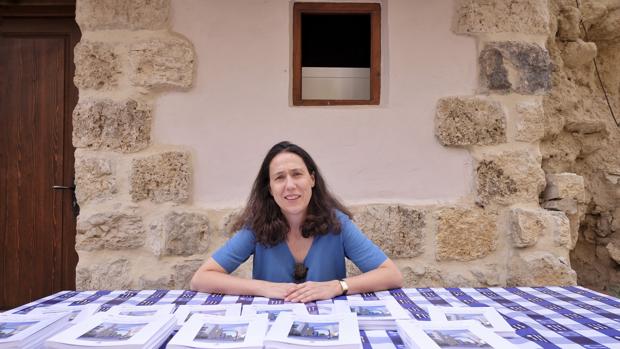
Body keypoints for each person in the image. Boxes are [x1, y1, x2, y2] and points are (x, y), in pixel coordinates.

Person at [190, 141, 402, 302]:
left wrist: (338, 286)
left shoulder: (338, 224)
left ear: (312, 179)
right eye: (279, 177)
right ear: (270, 189)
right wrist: (263, 288)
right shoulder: (257, 227)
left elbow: (391, 275)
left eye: (297, 174)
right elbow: (201, 279)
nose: (289, 185)